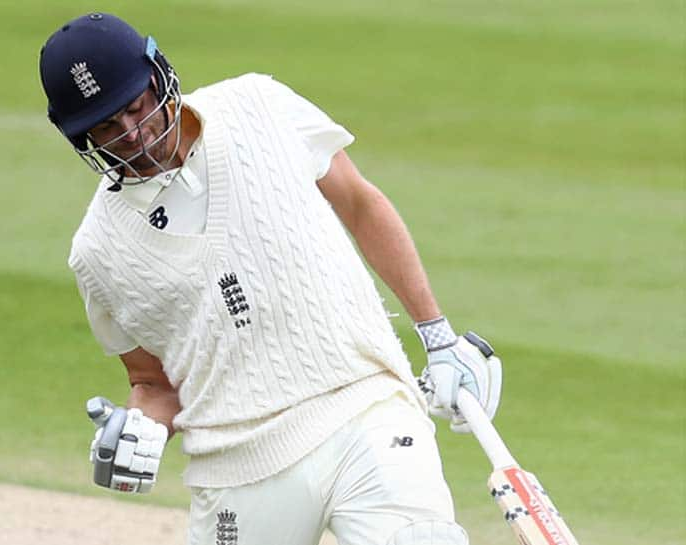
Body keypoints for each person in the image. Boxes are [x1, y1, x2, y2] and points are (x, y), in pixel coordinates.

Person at [37, 12, 502, 545]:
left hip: (363, 405)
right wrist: (140, 430)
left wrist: (437, 336)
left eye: (136, 109)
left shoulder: (258, 105)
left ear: (157, 73)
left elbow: (360, 204)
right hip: (238, 465)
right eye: (106, 129)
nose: (134, 136)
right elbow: (152, 384)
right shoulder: (98, 253)